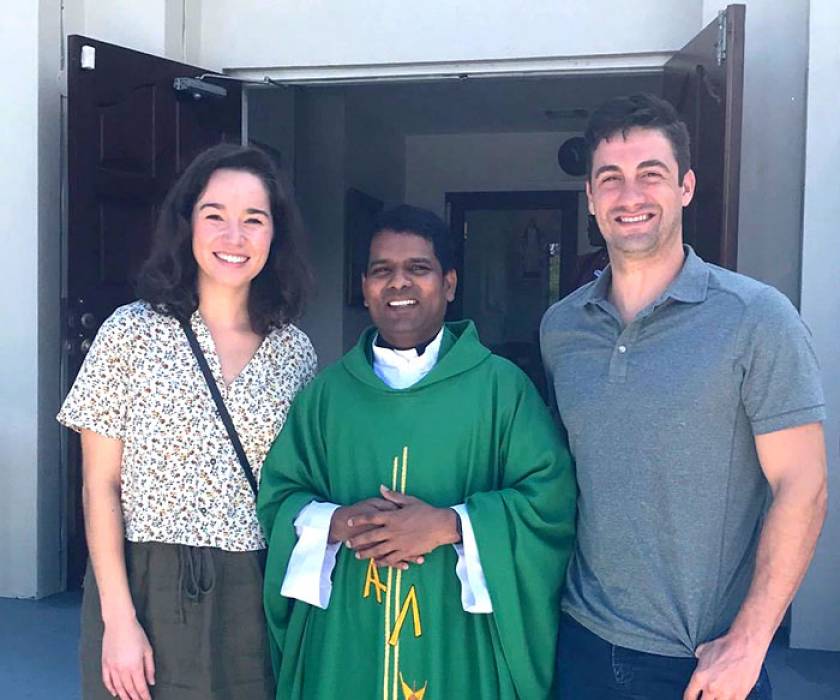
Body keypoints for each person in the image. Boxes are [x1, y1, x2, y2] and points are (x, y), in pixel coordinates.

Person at [540, 93, 827, 700]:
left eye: (652, 174)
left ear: (686, 187)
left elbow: (804, 485)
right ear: (590, 198)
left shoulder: (757, 318)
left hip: (700, 664)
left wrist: (749, 643)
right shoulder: (562, 328)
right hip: (579, 642)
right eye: (610, 179)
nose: (631, 195)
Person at [257, 204, 576, 700]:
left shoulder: (501, 389)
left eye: (418, 269)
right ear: (364, 287)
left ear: (448, 284)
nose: (398, 284)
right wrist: (337, 523)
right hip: (347, 637)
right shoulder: (327, 396)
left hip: (460, 641)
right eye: (382, 271)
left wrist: (451, 525)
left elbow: (550, 504)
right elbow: (279, 500)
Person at [57, 143, 317, 700]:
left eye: (254, 219)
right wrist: (119, 621)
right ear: (187, 223)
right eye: (215, 215)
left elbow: (303, 483)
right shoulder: (131, 332)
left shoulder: (294, 353)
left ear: (276, 235)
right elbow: (99, 485)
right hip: (146, 580)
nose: (234, 237)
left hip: (255, 587)